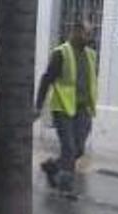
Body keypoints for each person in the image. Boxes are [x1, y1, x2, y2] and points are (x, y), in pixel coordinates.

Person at [35, 23, 99, 193]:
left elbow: (91, 81)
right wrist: (38, 106)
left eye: (90, 34)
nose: (89, 37)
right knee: (69, 148)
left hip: (83, 109)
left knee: (78, 150)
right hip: (63, 108)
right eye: (86, 33)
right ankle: (66, 187)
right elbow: (46, 79)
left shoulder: (91, 55)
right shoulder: (61, 53)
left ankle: (52, 167)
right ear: (75, 33)